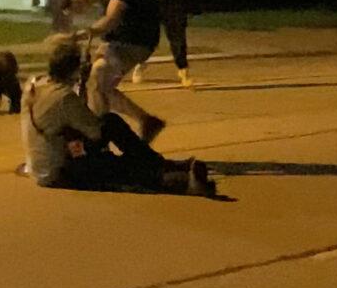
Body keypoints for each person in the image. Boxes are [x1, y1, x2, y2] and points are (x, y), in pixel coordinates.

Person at [21, 41, 214, 196]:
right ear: (73, 70)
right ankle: (180, 180)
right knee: (119, 160)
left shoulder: (35, 84)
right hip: (60, 169)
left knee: (111, 129)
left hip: (45, 160)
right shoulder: (64, 97)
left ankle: (163, 166)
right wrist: (83, 84)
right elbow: (94, 131)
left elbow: (71, 119)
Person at [75, 0, 166, 143]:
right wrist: (76, 2)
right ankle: (146, 121)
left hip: (133, 38)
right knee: (98, 84)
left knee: (97, 78)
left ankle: (98, 141)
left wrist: (85, 33)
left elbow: (113, 17)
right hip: (125, 37)